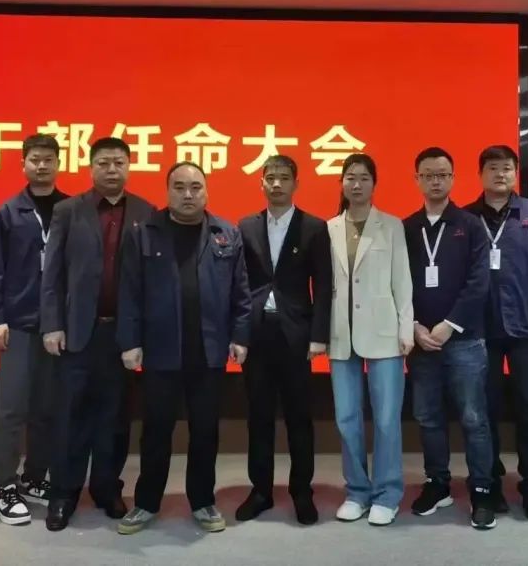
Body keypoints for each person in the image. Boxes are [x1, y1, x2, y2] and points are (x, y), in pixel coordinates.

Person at [115, 162, 251, 535]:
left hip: (209, 351)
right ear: (168, 191)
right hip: (160, 351)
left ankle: (203, 500)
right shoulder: (144, 233)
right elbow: (129, 293)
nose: (188, 194)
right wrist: (130, 342)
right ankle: (146, 502)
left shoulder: (227, 234)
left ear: (206, 191)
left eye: (195, 187)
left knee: (205, 430)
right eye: (179, 187)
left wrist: (240, 336)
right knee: (156, 430)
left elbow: (241, 293)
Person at [40, 137, 155, 531]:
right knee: (70, 416)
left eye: (118, 162)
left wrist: (142, 335)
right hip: (76, 332)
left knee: (115, 418)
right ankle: (63, 493)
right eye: (103, 162)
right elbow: (52, 273)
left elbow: (149, 280)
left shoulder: (145, 212)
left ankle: (107, 488)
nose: (111, 169)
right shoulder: (68, 210)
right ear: (91, 167)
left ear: (129, 166)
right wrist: (52, 323)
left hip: (122, 335)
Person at [235, 155, 333, 526]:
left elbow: (323, 285)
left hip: (297, 335)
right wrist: (239, 334)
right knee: (258, 416)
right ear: (261, 182)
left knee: (299, 418)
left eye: (284, 178)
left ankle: (301, 491)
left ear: (296, 183)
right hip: (257, 334)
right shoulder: (246, 226)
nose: (276, 184)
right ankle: (260, 490)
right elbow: (238, 286)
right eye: (270, 177)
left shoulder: (314, 227)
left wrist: (319, 335)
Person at [403, 147, 496, 530]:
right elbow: (397, 283)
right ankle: (437, 483)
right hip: (421, 341)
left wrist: (449, 324)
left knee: (474, 418)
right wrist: (414, 326)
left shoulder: (470, 225)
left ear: (453, 179)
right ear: (417, 180)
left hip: (464, 340)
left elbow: (479, 282)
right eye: (428, 175)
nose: (435, 181)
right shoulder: (406, 228)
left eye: (442, 174)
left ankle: (482, 489)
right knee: (428, 417)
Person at [464, 145, 528, 521]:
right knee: (483, 412)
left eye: (507, 168)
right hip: (479, 330)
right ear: (480, 174)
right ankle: (489, 485)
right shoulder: (467, 217)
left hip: (526, 328)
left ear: (515, 173)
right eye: (492, 167)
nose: (500, 174)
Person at [0, 134, 68, 525]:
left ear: (58, 163)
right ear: (23, 164)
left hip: (58, 326)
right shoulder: (8, 212)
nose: (42, 165)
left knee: (48, 408)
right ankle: (5, 486)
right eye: (35, 159)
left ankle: (34, 477)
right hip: (17, 324)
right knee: (12, 409)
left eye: (48, 159)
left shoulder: (71, 209)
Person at [327, 153, 414, 527]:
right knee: (347, 418)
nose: (357, 184)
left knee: (386, 418)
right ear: (342, 183)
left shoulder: (391, 226)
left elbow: (402, 281)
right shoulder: (328, 228)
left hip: (383, 332)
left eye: (364, 178)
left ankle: (387, 494)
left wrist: (406, 328)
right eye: (350, 177)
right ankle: (357, 492)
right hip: (340, 334)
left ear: (374, 184)